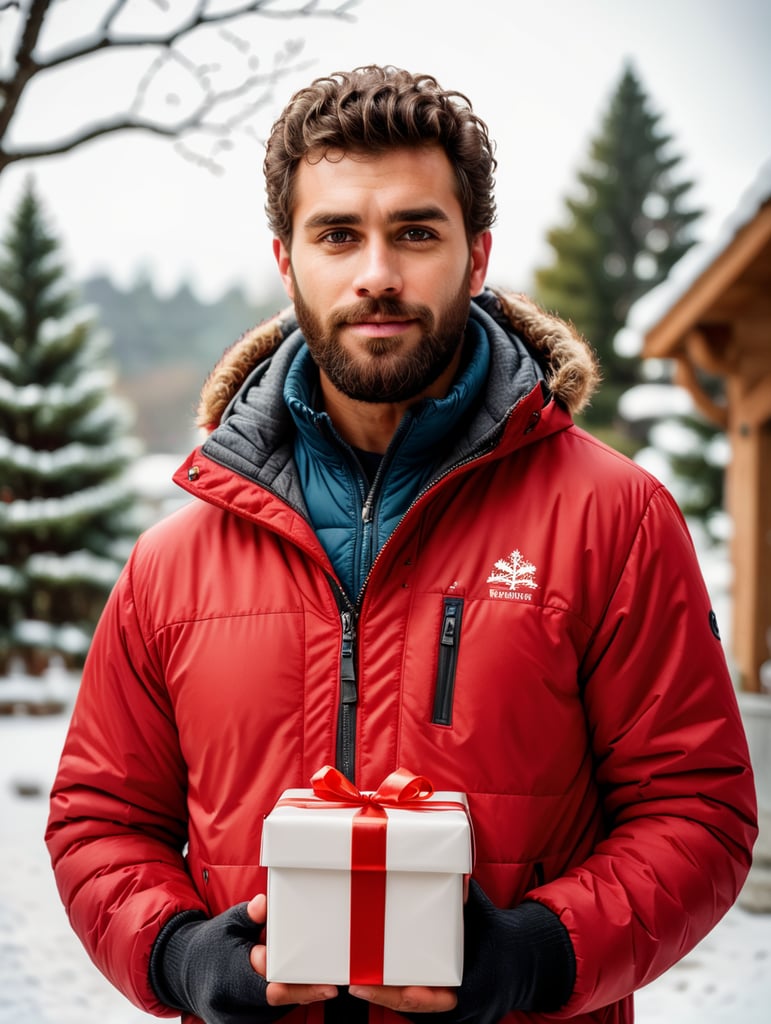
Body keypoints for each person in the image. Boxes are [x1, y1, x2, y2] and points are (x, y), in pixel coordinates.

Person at [46, 65, 757, 1024]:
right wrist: (176, 955)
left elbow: (696, 811)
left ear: (476, 256)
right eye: (337, 234)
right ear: (286, 259)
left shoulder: (614, 519)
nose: (376, 272)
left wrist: (535, 956)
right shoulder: (174, 561)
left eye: (415, 232)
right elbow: (100, 822)